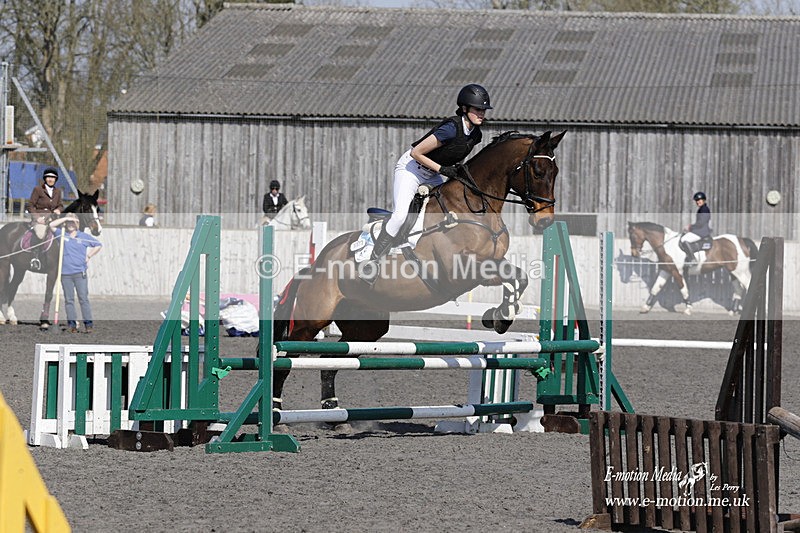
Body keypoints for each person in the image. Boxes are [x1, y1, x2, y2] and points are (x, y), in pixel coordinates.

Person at [360, 83, 492, 284]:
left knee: (445, 212)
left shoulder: (476, 135)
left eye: (483, 110)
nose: (481, 113)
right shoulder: (451, 128)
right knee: (400, 215)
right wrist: (442, 170)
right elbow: (417, 152)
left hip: (433, 173)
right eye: (477, 109)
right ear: (465, 108)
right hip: (412, 169)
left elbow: (454, 154)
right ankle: (373, 261)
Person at [49, 213, 103, 333]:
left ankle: (88, 324)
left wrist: (89, 256)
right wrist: (66, 218)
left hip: (79, 273)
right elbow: (51, 225)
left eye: (73, 222)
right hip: (65, 274)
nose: (70, 224)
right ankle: (72, 325)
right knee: (69, 300)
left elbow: (98, 245)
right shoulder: (61, 234)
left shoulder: (83, 236)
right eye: (69, 222)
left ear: (77, 223)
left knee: (83, 299)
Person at [680, 191, 712, 262]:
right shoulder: (701, 209)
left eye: (699, 200)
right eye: (697, 200)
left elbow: (701, 222)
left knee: (684, 239)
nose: (698, 202)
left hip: (701, 232)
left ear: (703, 200)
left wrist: (690, 227)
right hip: (699, 230)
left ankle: (693, 259)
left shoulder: (704, 209)